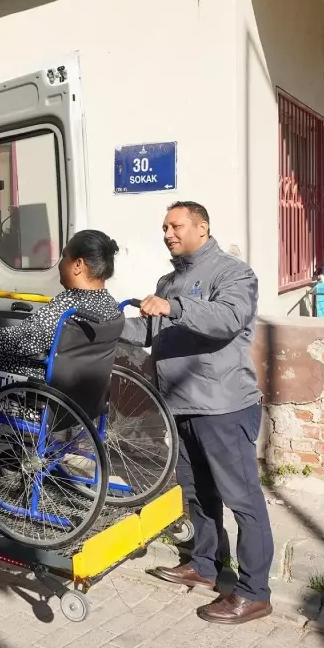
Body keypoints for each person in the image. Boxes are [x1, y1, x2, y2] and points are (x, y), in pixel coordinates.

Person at [123, 201, 274, 625]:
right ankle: (205, 566)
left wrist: (173, 307)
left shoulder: (233, 273)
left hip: (223, 407)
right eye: (164, 227)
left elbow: (227, 319)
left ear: (202, 227)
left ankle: (254, 593)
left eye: (176, 226)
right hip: (179, 405)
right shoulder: (169, 280)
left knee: (242, 500)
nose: (168, 234)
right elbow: (151, 330)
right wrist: (102, 328)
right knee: (197, 494)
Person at [0, 229, 123, 474]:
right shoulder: (110, 306)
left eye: (64, 257)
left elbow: (24, 343)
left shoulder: (68, 305)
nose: (60, 264)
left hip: (36, 401)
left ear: (78, 265)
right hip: (83, 402)